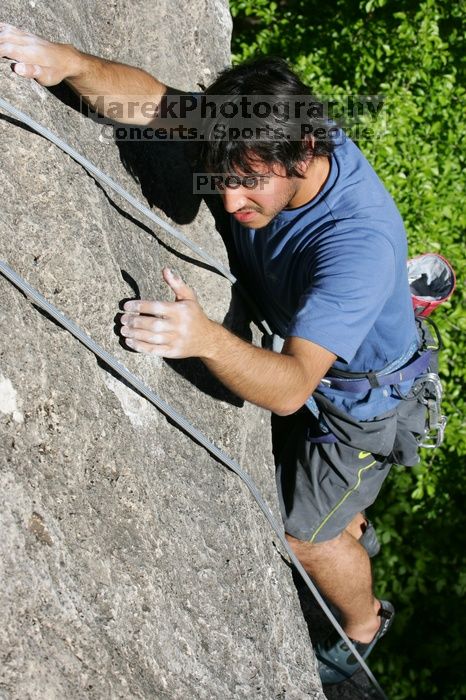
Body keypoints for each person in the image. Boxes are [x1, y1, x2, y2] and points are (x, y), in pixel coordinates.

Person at [1, 22, 426, 683]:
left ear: (307, 151)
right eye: (225, 178)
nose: (231, 200)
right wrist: (61, 61)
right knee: (329, 497)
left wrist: (201, 338)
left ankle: (364, 626)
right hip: (313, 338)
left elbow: (290, 388)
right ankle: (353, 511)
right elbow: (153, 100)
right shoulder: (262, 132)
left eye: (251, 185)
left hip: (357, 400)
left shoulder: (357, 246)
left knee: (302, 537)